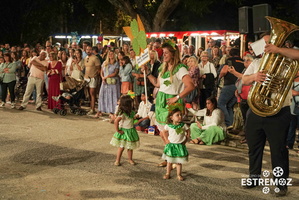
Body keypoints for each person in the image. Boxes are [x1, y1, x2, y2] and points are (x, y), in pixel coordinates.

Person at [242, 34, 291, 197]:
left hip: (278, 112)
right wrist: (254, 77)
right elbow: (244, 80)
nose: (267, 45)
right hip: (256, 111)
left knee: (278, 151)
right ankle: (254, 177)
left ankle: (281, 184)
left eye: (271, 42)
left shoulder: (288, 61)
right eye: (266, 43)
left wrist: (278, 50)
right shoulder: (257, 62)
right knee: (254, 148)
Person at [143, 41, 195, 167]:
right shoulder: (163, 67)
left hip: (172, 102)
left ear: (173, 53)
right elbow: (157, 84)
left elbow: (190, 86)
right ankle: (169, 157)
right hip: (161, 100)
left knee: (172, 132)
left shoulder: (180, 68)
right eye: (163, 53)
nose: (163, 55)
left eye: (166, 53)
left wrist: (176, 98)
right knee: (162, 132)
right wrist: (148, 73)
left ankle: (173, 157)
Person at [110, 95, 140, 166]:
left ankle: (130, 159)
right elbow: (116, 121)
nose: (132, 104)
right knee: (121, 147)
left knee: (130, 147)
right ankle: (117, 160)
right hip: (124, 132)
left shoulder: (132, 112)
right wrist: (118, 130)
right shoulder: (122, 113)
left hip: (130, 131)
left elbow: (132, 119)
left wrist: (135, 118)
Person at [161, 108, 189, 181]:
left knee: (179, 162)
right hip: (171, 146)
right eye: (177, 115)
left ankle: (179, 174)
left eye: (181, 115)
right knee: (169, 161)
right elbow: (163, 132)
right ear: (171, 117)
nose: (180, 116)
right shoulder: (169, 125)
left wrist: (186, 140)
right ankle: (168, 173)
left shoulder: (183, 125)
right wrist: (166, 140)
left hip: (179, 145)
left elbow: (188, 131)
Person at [218, 48, 244, 127]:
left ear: (230, 54)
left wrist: (220, 76)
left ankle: (228, 123)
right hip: (239, 86)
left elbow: (224, 71)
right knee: (229, 106)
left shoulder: (229, 61)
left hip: (229, 85)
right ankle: (231, 124)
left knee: (220, 104)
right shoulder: (242, 61)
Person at [96, 50, 120, 117]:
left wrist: (107, 77)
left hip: (113, 82)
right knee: (102, 95)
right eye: (109, 54)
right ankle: (100, 110)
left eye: (112, 54)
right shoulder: (105, 62)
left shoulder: (116, 63)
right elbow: (101, 71)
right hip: (105, 82)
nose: (111, 55)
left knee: (112, 96)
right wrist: (103, 77)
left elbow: (115, 73)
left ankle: (112, 111)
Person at [84, 45, 101, 115]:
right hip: (86, 78)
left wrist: (95, 76)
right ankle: (91, 107)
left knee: (92, 93)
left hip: (93, 78)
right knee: (88, 94)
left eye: (90, 49)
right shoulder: (86, 58)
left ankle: (93, 108)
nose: (88, 51)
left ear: (92, 50)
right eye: (87, 49)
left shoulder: (95, 58)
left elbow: (99, 69)